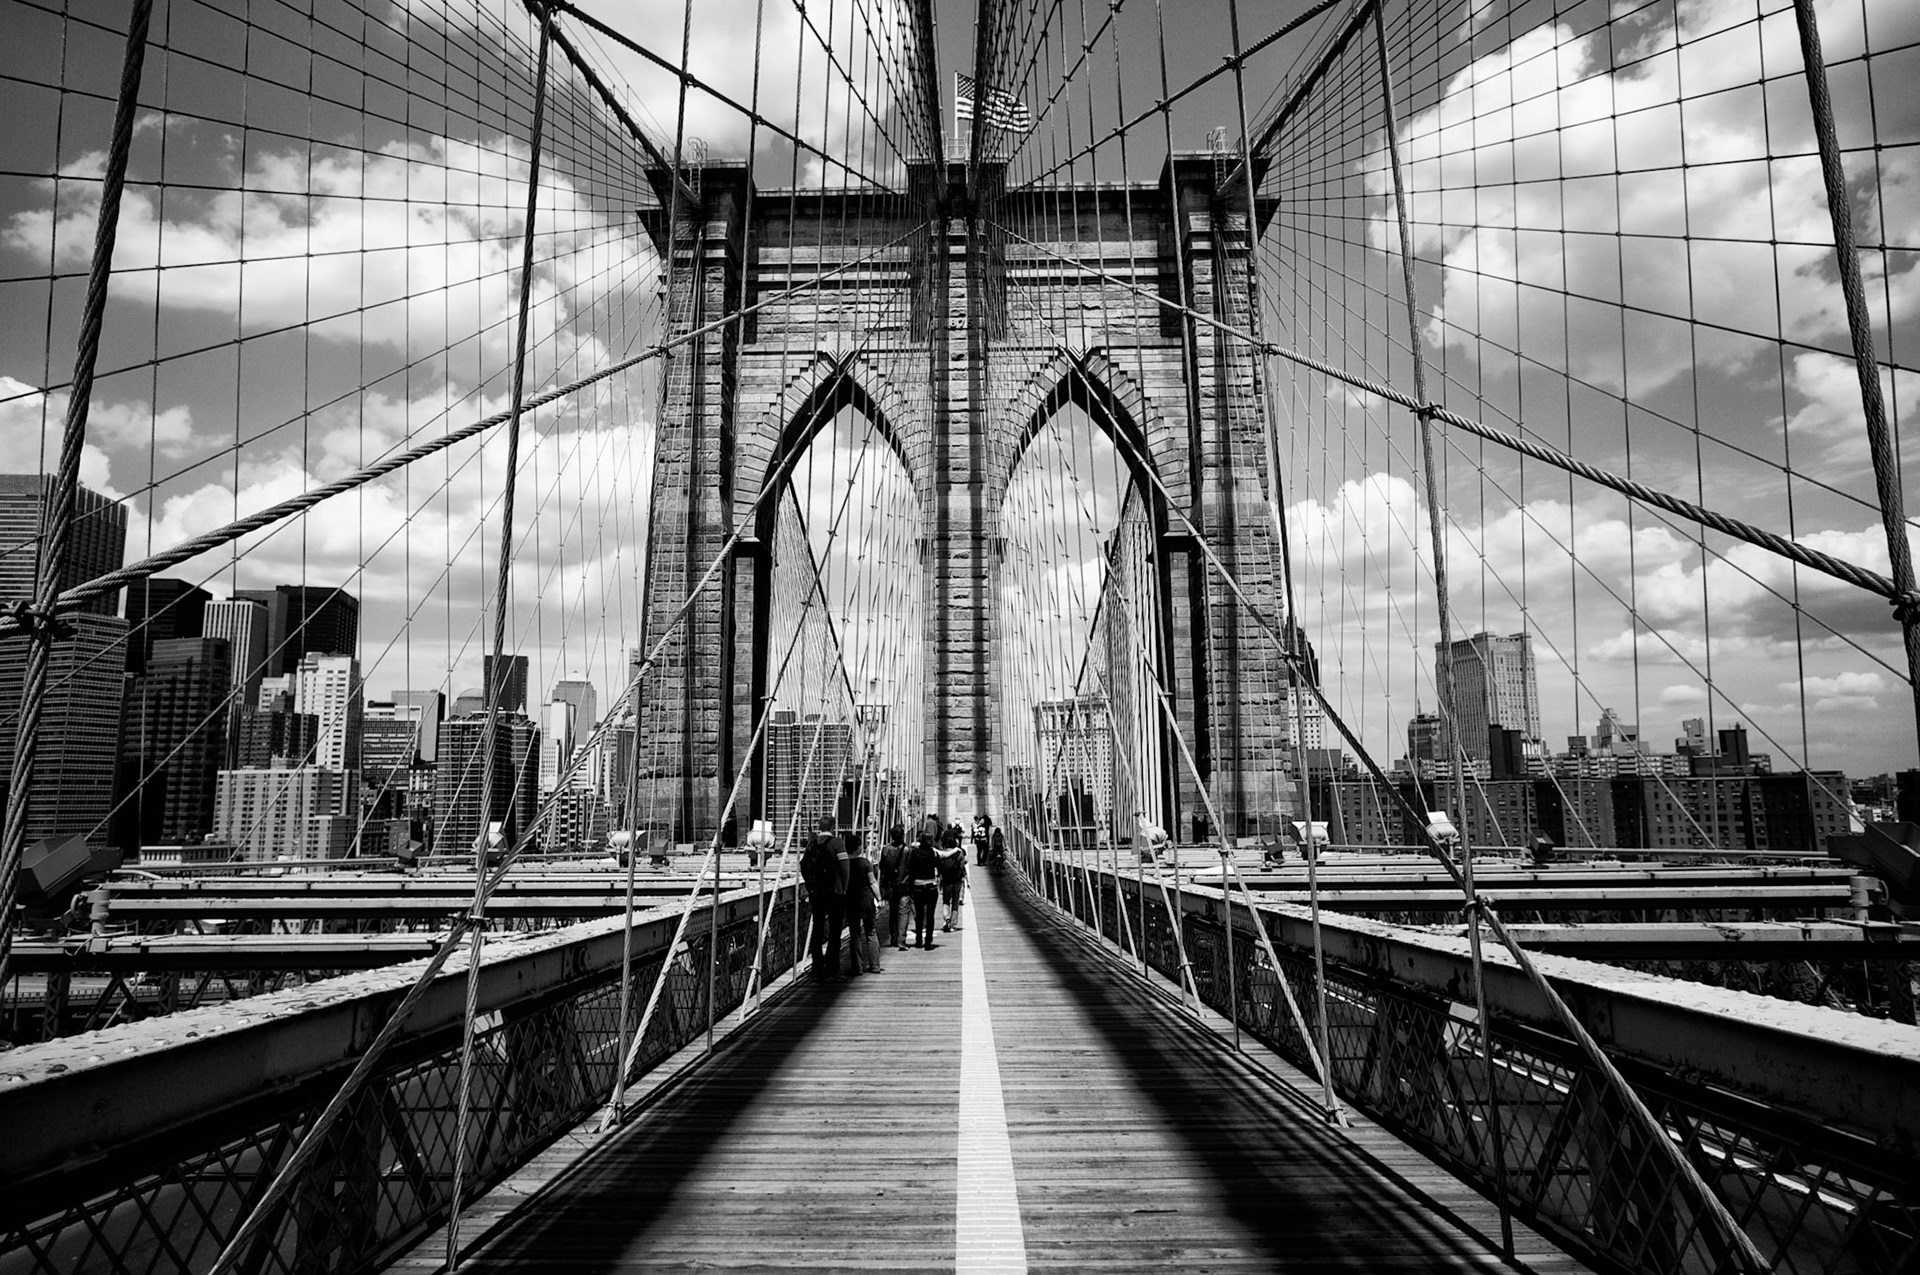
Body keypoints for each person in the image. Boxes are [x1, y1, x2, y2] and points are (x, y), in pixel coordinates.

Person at [800, 815, 848, 981]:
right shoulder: (837, 843)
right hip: (834, 892)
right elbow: (845, 867)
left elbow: (804, 866)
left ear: (819, 826)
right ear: (833, 826)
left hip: (816, 893)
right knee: (835, 931)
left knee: (817, 928)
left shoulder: (812, 843)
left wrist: (811, 886)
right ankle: (831, 969)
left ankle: (817, 968)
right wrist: (843, 887)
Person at [844, 831, 884, 975]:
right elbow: (872, 882)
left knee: (854, 934)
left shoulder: (844, 865)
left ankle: (857, 967)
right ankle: (875, 965)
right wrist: (879, 898)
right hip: (866, 899)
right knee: (871, 932)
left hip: (851, 900)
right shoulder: (865, 863)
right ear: (857, 848)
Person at [905, 825, 942, 949]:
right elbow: (940, 865)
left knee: (919, 914)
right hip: (931, 885)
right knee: (930, 915)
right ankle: (928, 941)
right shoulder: (933, 853)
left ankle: (919, 940)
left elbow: (911, 870)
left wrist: (910, 888)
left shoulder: (915, 853)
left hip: (918, 886)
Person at [878, 823, 909, 948]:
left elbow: (882, 867)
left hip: (891, 885)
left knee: (893, 911)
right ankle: (901, 939)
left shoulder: (886, 849)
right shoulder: (907, 850)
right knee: (903, 912)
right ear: (902, 836)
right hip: (904, 885)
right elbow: (910, 868)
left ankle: (894, 937)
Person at [939, 839, 968, 932]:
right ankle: (952, 923)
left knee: (946, 901)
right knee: (955, 902)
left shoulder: (943, 854)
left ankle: (946, 917)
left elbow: (940, 867)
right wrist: (965, 879)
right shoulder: (959, 853)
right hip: (956, 881)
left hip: (946, 881)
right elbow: (962, 866)